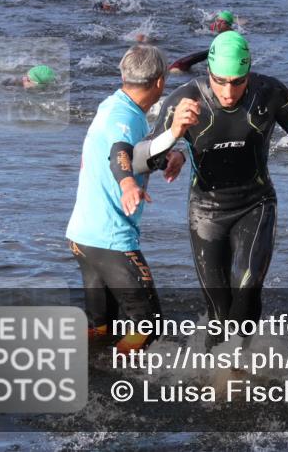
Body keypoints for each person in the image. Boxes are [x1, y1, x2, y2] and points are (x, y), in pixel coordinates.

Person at [127, 31, 288, 348]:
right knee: (218, 313)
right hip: (206, 213)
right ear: (208, 72)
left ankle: (241, 363)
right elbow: (139, 160)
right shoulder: (184, 99)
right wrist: (174, 133)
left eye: (237, 82)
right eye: (219, 81)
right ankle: (215, 369)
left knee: (247, 288)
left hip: (256, 204)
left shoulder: (270, 92)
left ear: (249, 73)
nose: (228, 92)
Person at [65, 44, 186, 352]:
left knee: (100, 327)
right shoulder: (126, 119)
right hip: (111, 240)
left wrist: (169, 156)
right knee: (149, 327)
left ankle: (89, 371)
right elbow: (119, 151)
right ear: (160, 82)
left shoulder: (113, 104)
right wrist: (129, 183)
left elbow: (134, 152)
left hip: (82, 237)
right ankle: (125, 374)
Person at [167, 11, 234, 73]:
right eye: (217, 21)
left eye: (222, 22)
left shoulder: (232, 37)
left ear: (229, 25)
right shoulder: (213, 29)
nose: (218, 24)